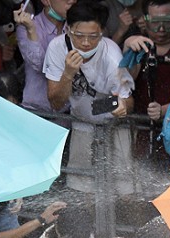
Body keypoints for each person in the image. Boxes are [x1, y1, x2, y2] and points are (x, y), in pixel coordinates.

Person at [44, 1, 136, 194]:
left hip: (114, 126)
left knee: (124, 188)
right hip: (81, 123)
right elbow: (55, 102)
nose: (85, 43)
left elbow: (129, 101)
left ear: (102, 32)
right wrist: (68, 73)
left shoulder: (111, 55)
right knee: (81, 187)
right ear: (68, 30)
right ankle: (86, 224)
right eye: (79, 35)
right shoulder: (56, 47)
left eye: (93, 37)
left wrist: (120, 105)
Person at [122, 0, 170, 123]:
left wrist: (164, 110)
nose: (161, 29)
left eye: (167, 22)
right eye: (155, 22)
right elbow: (124, 82)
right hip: (140, 126)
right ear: (145, 21)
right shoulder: (138, 48)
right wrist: (127, 48)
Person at [16, 0, 77, 112]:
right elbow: (40, 65)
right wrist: (31, 30)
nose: (72, 1)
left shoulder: (78, 28)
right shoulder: (26, 26)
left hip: (69, 114)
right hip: (36, 112)